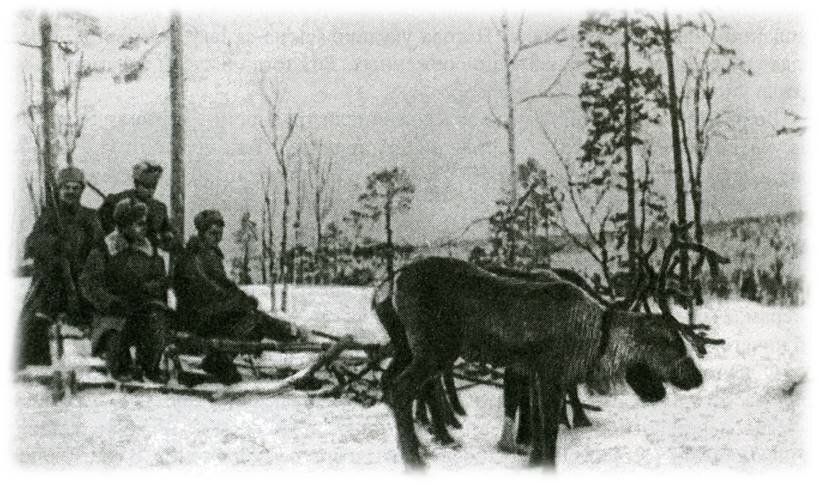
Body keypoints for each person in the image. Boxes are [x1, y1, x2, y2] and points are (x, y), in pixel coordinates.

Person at [174, 209, 307, 384]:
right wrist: (241, 303)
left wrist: (242, 299)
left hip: (208, 314)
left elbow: (225, 287)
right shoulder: (196, 257)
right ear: (202, 232)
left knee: (254, 319)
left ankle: (292, 334)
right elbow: (211, 291)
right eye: (213, 233)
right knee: (253, 320)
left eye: (219, 233)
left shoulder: (208, 254)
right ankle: (219, 359)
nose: (217, 237)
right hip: (198, 318)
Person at [16, 166, 104, 369]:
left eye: (75, 188)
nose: (71, 192)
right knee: (34, 317)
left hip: (83, 280)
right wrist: (54, 244)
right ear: (59, 189)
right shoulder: (48, 218)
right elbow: (31, 245)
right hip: (54, 281)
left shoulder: (90, 217)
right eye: (66, 187)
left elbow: (99, 248)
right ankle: (36, 364)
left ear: (82, 190)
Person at [79, 199, 170, 382]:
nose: (144, 228)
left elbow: (160, 280)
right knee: (115, 335)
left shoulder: (149, 251)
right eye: (139, 224)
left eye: (145, 223)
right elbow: (89, 283)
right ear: (124, 225)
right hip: (112, 312)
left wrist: (153, 288)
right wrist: (108, 300)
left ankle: (150, 366)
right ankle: (120, 364)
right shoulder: (104, 250)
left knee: (157, 319)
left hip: (141, 308)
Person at [97, 161, 177, 252]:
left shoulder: (159, 208)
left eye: (154, 186)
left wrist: (168, 237)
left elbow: (167, 233)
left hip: (148, 259)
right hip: (120, 256)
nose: (150, 191)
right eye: (146, 186)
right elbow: (98, 227)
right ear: (136, 183)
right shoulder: (117, 200)